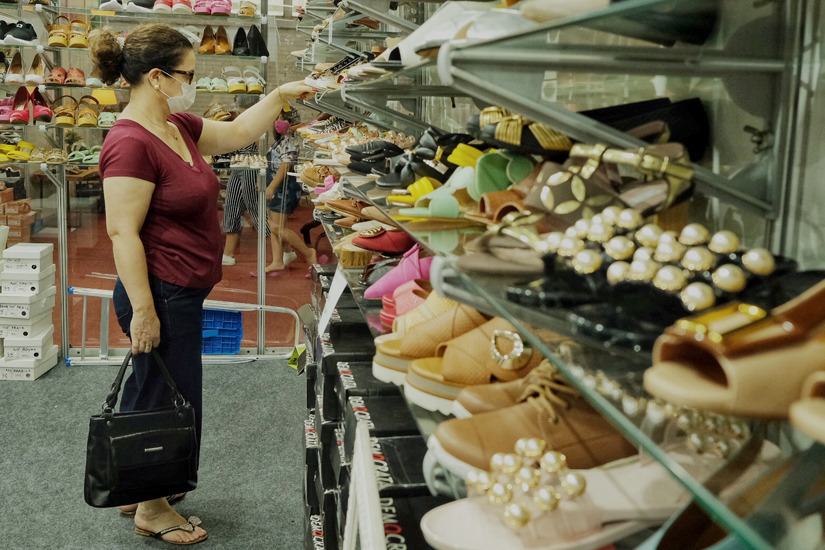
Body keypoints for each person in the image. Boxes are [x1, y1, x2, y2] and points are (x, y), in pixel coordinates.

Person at [91, 23, 314, 545]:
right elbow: (122, 233)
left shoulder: (177, 124)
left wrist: (279, 95)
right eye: (188, 74)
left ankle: (138, 484)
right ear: (156, 76)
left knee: (152, 386)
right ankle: (153, 506)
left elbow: (237, 132)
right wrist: (144, 310)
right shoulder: (129, 143)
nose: (194, 82)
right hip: (160, 292)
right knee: (171, 396)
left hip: (179, 289)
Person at [264, 109, 317, 273]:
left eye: (283, 118)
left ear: (291, 122)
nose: (278, 121)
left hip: (283, 189)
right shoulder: (280, 141)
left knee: (278, 228)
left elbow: (285, 166)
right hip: (276, 187)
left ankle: (309, 253)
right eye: (277, 117)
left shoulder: (290, 142)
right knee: (274, 225)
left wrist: (272, 186)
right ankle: (278, 260)